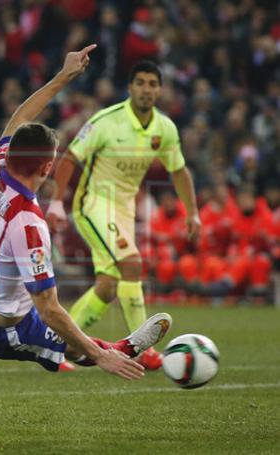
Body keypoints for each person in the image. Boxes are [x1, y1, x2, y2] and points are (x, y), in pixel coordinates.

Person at [0, 46, 172, 420]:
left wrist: (63, 76)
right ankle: (122, 348)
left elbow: (20, 117)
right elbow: (49, 310)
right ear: (49, 166)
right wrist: (100, 357)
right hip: (1, 328)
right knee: (75, 350)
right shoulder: (29, 224)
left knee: (34, 321)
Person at [46, 60, 200, 370]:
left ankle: (55, 345)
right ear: (130, 88)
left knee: (107, 286)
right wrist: (56, 203)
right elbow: (69, 158)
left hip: (124, 211)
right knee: (131, 265)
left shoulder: (164, 128)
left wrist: (192, 213)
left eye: (152, 84)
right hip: (93, 204)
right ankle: (143, 350)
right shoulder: (106, 121)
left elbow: (179, 170)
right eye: (140, 83)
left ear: (160, 89)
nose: (146, 89)